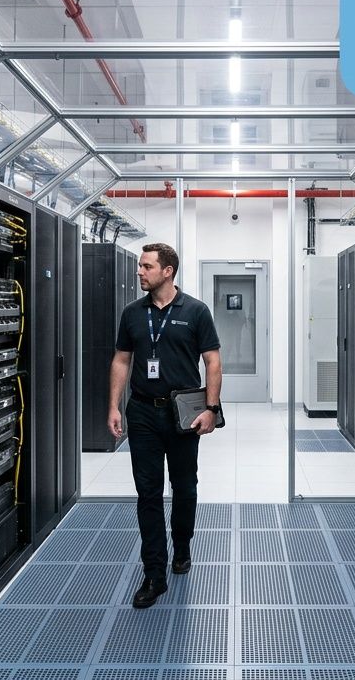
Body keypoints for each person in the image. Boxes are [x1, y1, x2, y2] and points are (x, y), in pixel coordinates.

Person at [108, 243, 222, 608]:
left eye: (146, 266)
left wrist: (211, 410)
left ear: (167, 271)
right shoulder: (132, 313)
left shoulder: (196, 311)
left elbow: (213, 363)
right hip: (142, 413)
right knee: (148, 494)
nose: (139, 272)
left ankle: (182, 548)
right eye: (140, 266)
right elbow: (122, 361)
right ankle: (154, 574)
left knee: (185, 488)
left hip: (184, 414)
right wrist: (115, 405)